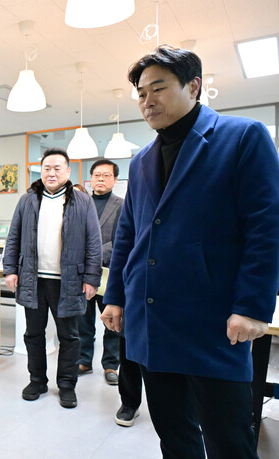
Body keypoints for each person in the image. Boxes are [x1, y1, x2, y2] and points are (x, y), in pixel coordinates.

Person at [101, 46, 279, 458]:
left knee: (229, 441)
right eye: (141, 94)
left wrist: (253, 306)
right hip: (152, 321)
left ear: (194, 86)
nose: (147, 101)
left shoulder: (242, 137)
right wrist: (115, 297)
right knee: (175, 437)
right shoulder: (141, 161)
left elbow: (266, 227)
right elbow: (129, 235)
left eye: (158, 88)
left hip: (213, 324)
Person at [3, 148, 102, 408]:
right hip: (33, 279)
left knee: (69, 336)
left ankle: (67, 384)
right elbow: (13, 237)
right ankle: (37, 380)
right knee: (33, 334)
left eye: (58, 168)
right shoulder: (27, 199)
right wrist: (10, 270)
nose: (51, 173)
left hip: (68, 281)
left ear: (68, 171)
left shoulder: (82, 201)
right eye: (47, 168)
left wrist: (91, 278)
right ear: (41, 170)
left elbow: (94, 242)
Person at [77, 159, 123, 385]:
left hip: (109, 273)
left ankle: (110, 365)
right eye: (97, 175)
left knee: (112, 320)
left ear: (115, 179)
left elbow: (122, 240)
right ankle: (84, 360)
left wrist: (92, 253)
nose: (101, 179)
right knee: (83, 320)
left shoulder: (122, 205)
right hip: (82, 274)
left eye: (106, 175)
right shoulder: (80, 203)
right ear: (91, 179)